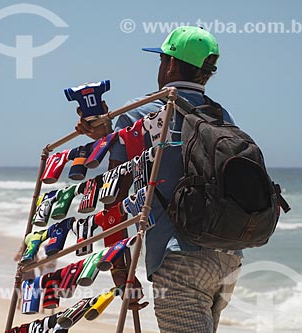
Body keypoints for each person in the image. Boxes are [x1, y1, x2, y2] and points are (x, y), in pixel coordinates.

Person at [76, 26, 242, 332]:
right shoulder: (221, 115)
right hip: (228, 255)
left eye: (162, 59)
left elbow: (114, 198)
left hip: (179, 257)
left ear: (171, 64)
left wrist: (120, 269)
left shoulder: (139, 114)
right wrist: (109, 134)